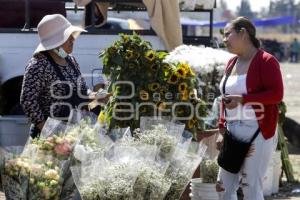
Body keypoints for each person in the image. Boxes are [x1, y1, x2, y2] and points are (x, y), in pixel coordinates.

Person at [217, 16, 283, 200]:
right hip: (232, 133)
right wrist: (221, 129)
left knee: (251, 188)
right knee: (223, 187)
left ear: (243, 33)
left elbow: (276, 95)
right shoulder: (231, 63)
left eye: (227, 34)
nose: (224, 40)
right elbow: (224, 98)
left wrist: (243, 99)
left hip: (258, 132)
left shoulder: (267, 61)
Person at [20, 14, 108, 138]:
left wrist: (96, 96)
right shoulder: (38, 65)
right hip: (51, 139)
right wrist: (48, 131)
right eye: (68, 37)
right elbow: (28, 101)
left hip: (73, 134)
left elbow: (82, 89)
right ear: (55, 42)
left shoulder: (70, 60)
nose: (73, 39)